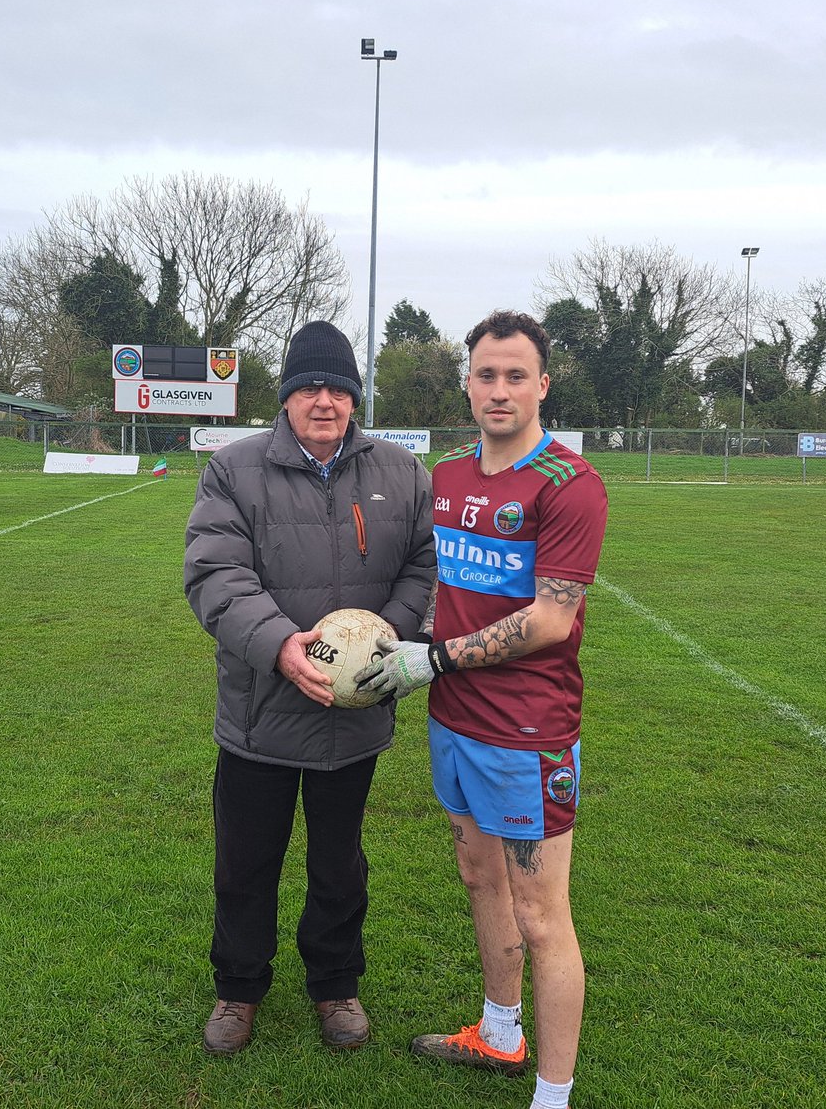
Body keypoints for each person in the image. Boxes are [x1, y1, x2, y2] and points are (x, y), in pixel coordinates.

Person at [357, 310, 608, 1109]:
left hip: (527, 733)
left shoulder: (571, 485)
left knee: (543, 915)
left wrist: (428, 659)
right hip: (453, 721)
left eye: (515, 375)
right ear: (468, 383)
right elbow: (447, 590)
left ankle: (553, 1097)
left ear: (542, 384)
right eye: (485, 374)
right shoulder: (453, 476)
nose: (499, 389)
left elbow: (549, 619)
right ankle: (500, 1032)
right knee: (477, 876)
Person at [183, 320, 436, 1056]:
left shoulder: (400, 472)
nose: (324, 401)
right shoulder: (234, 470)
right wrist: (279, 645)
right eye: (308, 387)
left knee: (339, 864)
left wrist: (377, 644)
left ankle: (335, 986)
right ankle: (238, 990)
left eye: (337, 388)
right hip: (261, 711)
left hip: (354, 720)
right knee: (246, 860)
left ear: (354, 398)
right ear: (289, 396)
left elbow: (423, 567)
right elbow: (216, 574)